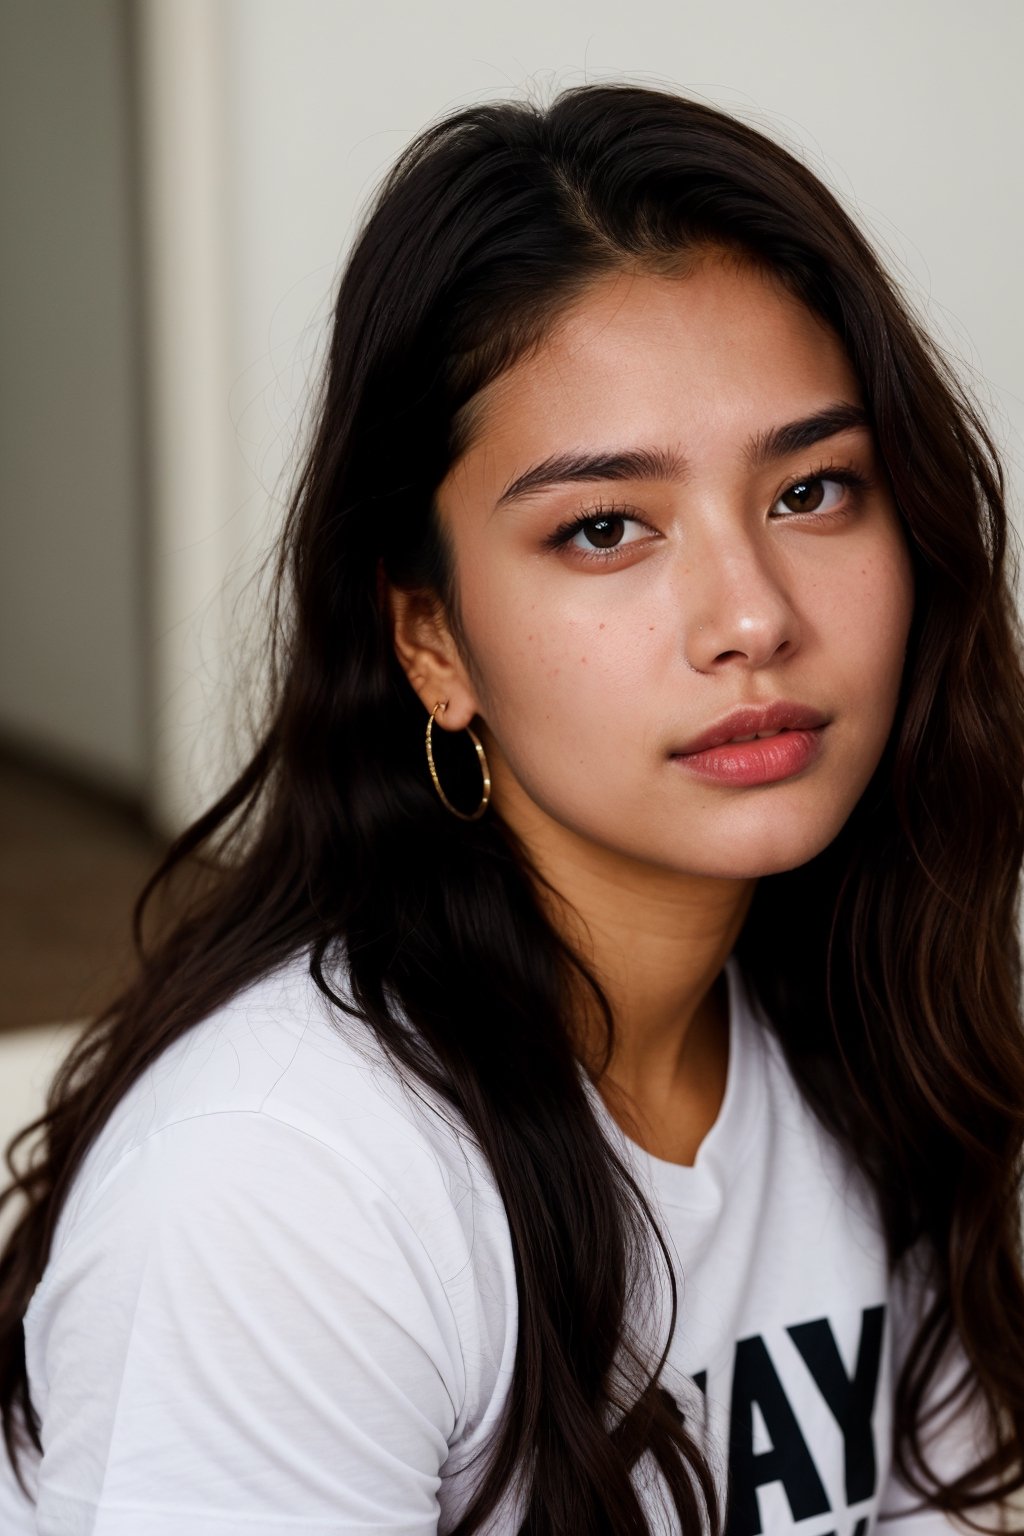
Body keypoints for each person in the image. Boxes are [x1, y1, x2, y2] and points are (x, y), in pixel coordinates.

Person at [0, 82, 1022, 1536]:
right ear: (432, 641)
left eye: (813, 490)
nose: (752, 616)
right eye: (606, 528)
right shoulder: (285, 1185)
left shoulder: (864, 1028)